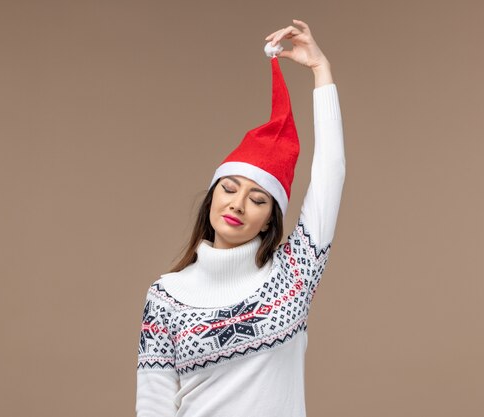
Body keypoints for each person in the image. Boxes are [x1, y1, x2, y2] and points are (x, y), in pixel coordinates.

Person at [136, 19, 345, 417]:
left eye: (257, 199)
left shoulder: (293, 274)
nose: (237, 205)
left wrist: (321, 70)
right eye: (229, 189)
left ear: (269, 218)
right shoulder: (165, 296)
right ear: (212, 196)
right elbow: (153, 404)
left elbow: (331, 171)